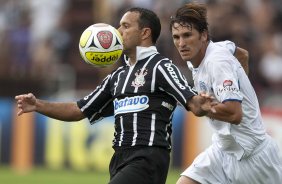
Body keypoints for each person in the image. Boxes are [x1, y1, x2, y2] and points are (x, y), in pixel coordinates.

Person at [15, 7, 216, 184]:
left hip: (148, 157)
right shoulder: (117, 76)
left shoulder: (160, 67)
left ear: (145, 33)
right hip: (119, 159)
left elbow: (191, 99)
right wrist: (38, 105)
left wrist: (203, 104)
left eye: (125, 26)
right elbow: (78, 110)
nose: (117, 32)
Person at [170, 2, 282, 184]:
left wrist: (204, 109)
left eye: (187, 35)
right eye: (176, 37)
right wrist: (238, 88)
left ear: (204, 35)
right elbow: (243, 54)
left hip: (253, 158)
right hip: (222, 151)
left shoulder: (217, 62)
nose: (181, 43)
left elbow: (235, 113)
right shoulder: (208, 52)